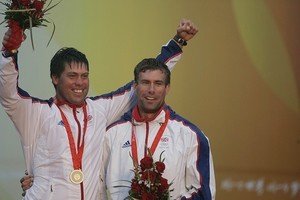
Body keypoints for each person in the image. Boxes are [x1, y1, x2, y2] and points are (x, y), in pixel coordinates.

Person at [0, 18, 198, 199]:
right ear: (54, 78)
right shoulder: (34, 112)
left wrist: (177, 42)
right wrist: (10, 52)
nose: (80, 83)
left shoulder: (99, 109)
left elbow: (142, 82)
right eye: (72, 76)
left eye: (84, 76)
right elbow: (7, 91)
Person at [100, 58, 216, 200]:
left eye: (158, 84)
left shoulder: (190, 135)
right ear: (135, 86)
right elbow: (98, 189)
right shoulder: (111, 134)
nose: (151, 90)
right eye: (145, 82)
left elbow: (203, 193)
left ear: (167, 88)